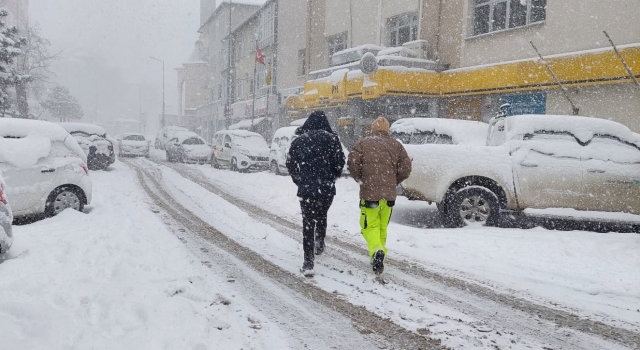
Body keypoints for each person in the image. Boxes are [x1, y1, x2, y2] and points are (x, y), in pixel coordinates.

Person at [347, 117, 411, 275]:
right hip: (388, 196)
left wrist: (360, 179)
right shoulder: (396, 145)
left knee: (368, 226)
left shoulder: (362, 144)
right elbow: (406, 168)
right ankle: (379, 254)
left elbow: (352, 164)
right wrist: (393, 181)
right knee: (382, 226)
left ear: (372, 129)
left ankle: (376, 250)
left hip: (370, 194)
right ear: (387, 130)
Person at [286, 111, 345, 277]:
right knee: (322, 214)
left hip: (307, 189)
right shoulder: (333, 140)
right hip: (326, 189)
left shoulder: (300, 141)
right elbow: (340, 163)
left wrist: (300, 179)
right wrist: (331, 177)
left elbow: (290, 164)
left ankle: (308, 260)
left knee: (308, 221)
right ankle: (320, 242)